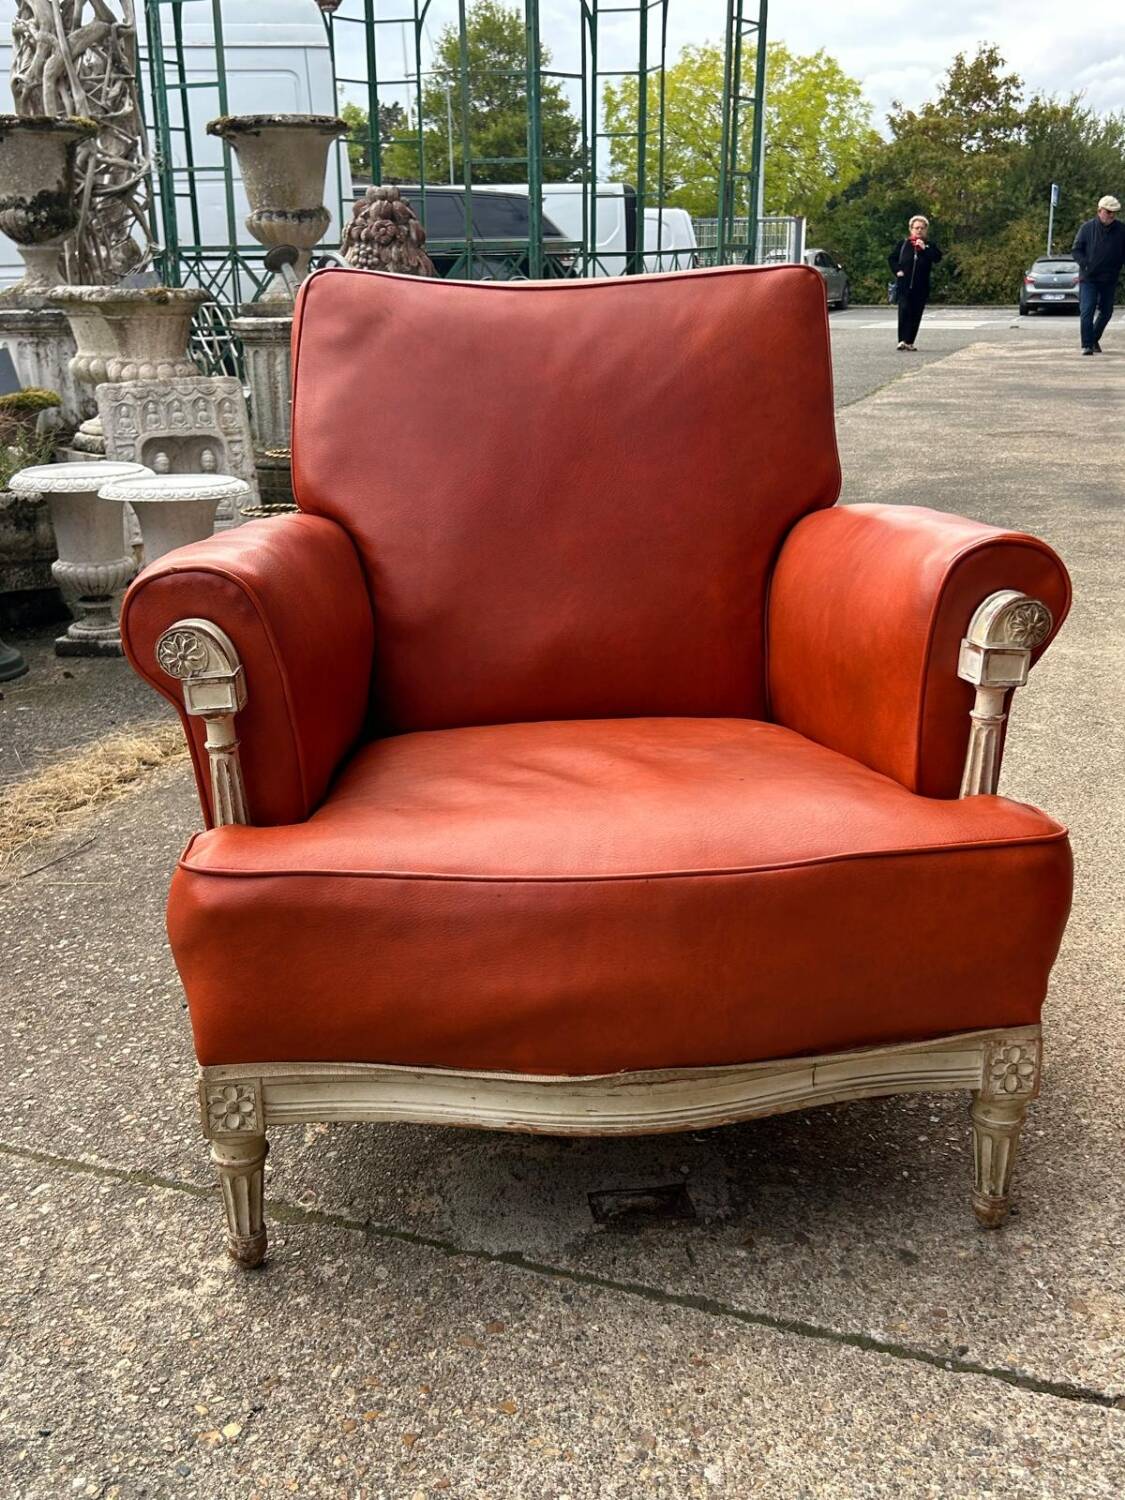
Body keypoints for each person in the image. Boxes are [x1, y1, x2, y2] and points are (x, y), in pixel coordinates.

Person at [1071, 195, 1124, 355]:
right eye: (1108, 212)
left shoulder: (1122, 230)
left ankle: (1093, 338)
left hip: (1109, 278)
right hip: (1089, 278)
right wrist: (1085, 264)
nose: (1111, 215)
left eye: (1114, 212)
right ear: (1100, 211)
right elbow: (1076, 250)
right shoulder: (1087, 228)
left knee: (1107, 312)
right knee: (1087, 311)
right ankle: (1087, 345)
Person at [889, 215, 942, 350]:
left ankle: (910, 341)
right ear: (911, 229)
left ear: (926, 230)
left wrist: (925, 248)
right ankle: (901, 340)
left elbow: (937, 258)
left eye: (922, 228)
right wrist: (898, 271)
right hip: (904, 284)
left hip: (921, 285)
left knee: (916, 313)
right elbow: (892, 259)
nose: (919, 231)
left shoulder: (930, 245)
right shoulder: (903, 244)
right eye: (916, 228)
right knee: (904, 310)